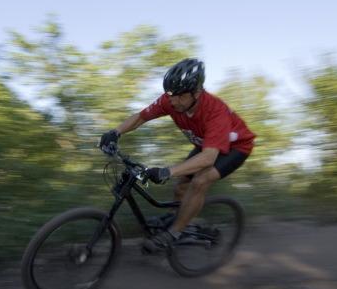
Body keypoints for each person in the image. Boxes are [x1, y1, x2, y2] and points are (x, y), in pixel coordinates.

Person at [98, 58, 256, 253]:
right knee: (182, 182)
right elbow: (141, 117)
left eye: (179, 96)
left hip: (236, 147)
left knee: (200, 180)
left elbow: (208, 158)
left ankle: (174, 233)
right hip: (205, 143)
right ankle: (180, 219)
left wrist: (166, 171)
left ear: (197, 93)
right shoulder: (171, 100)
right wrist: (115, 132)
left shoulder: (216, 111)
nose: (172, 101)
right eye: (170, 94)